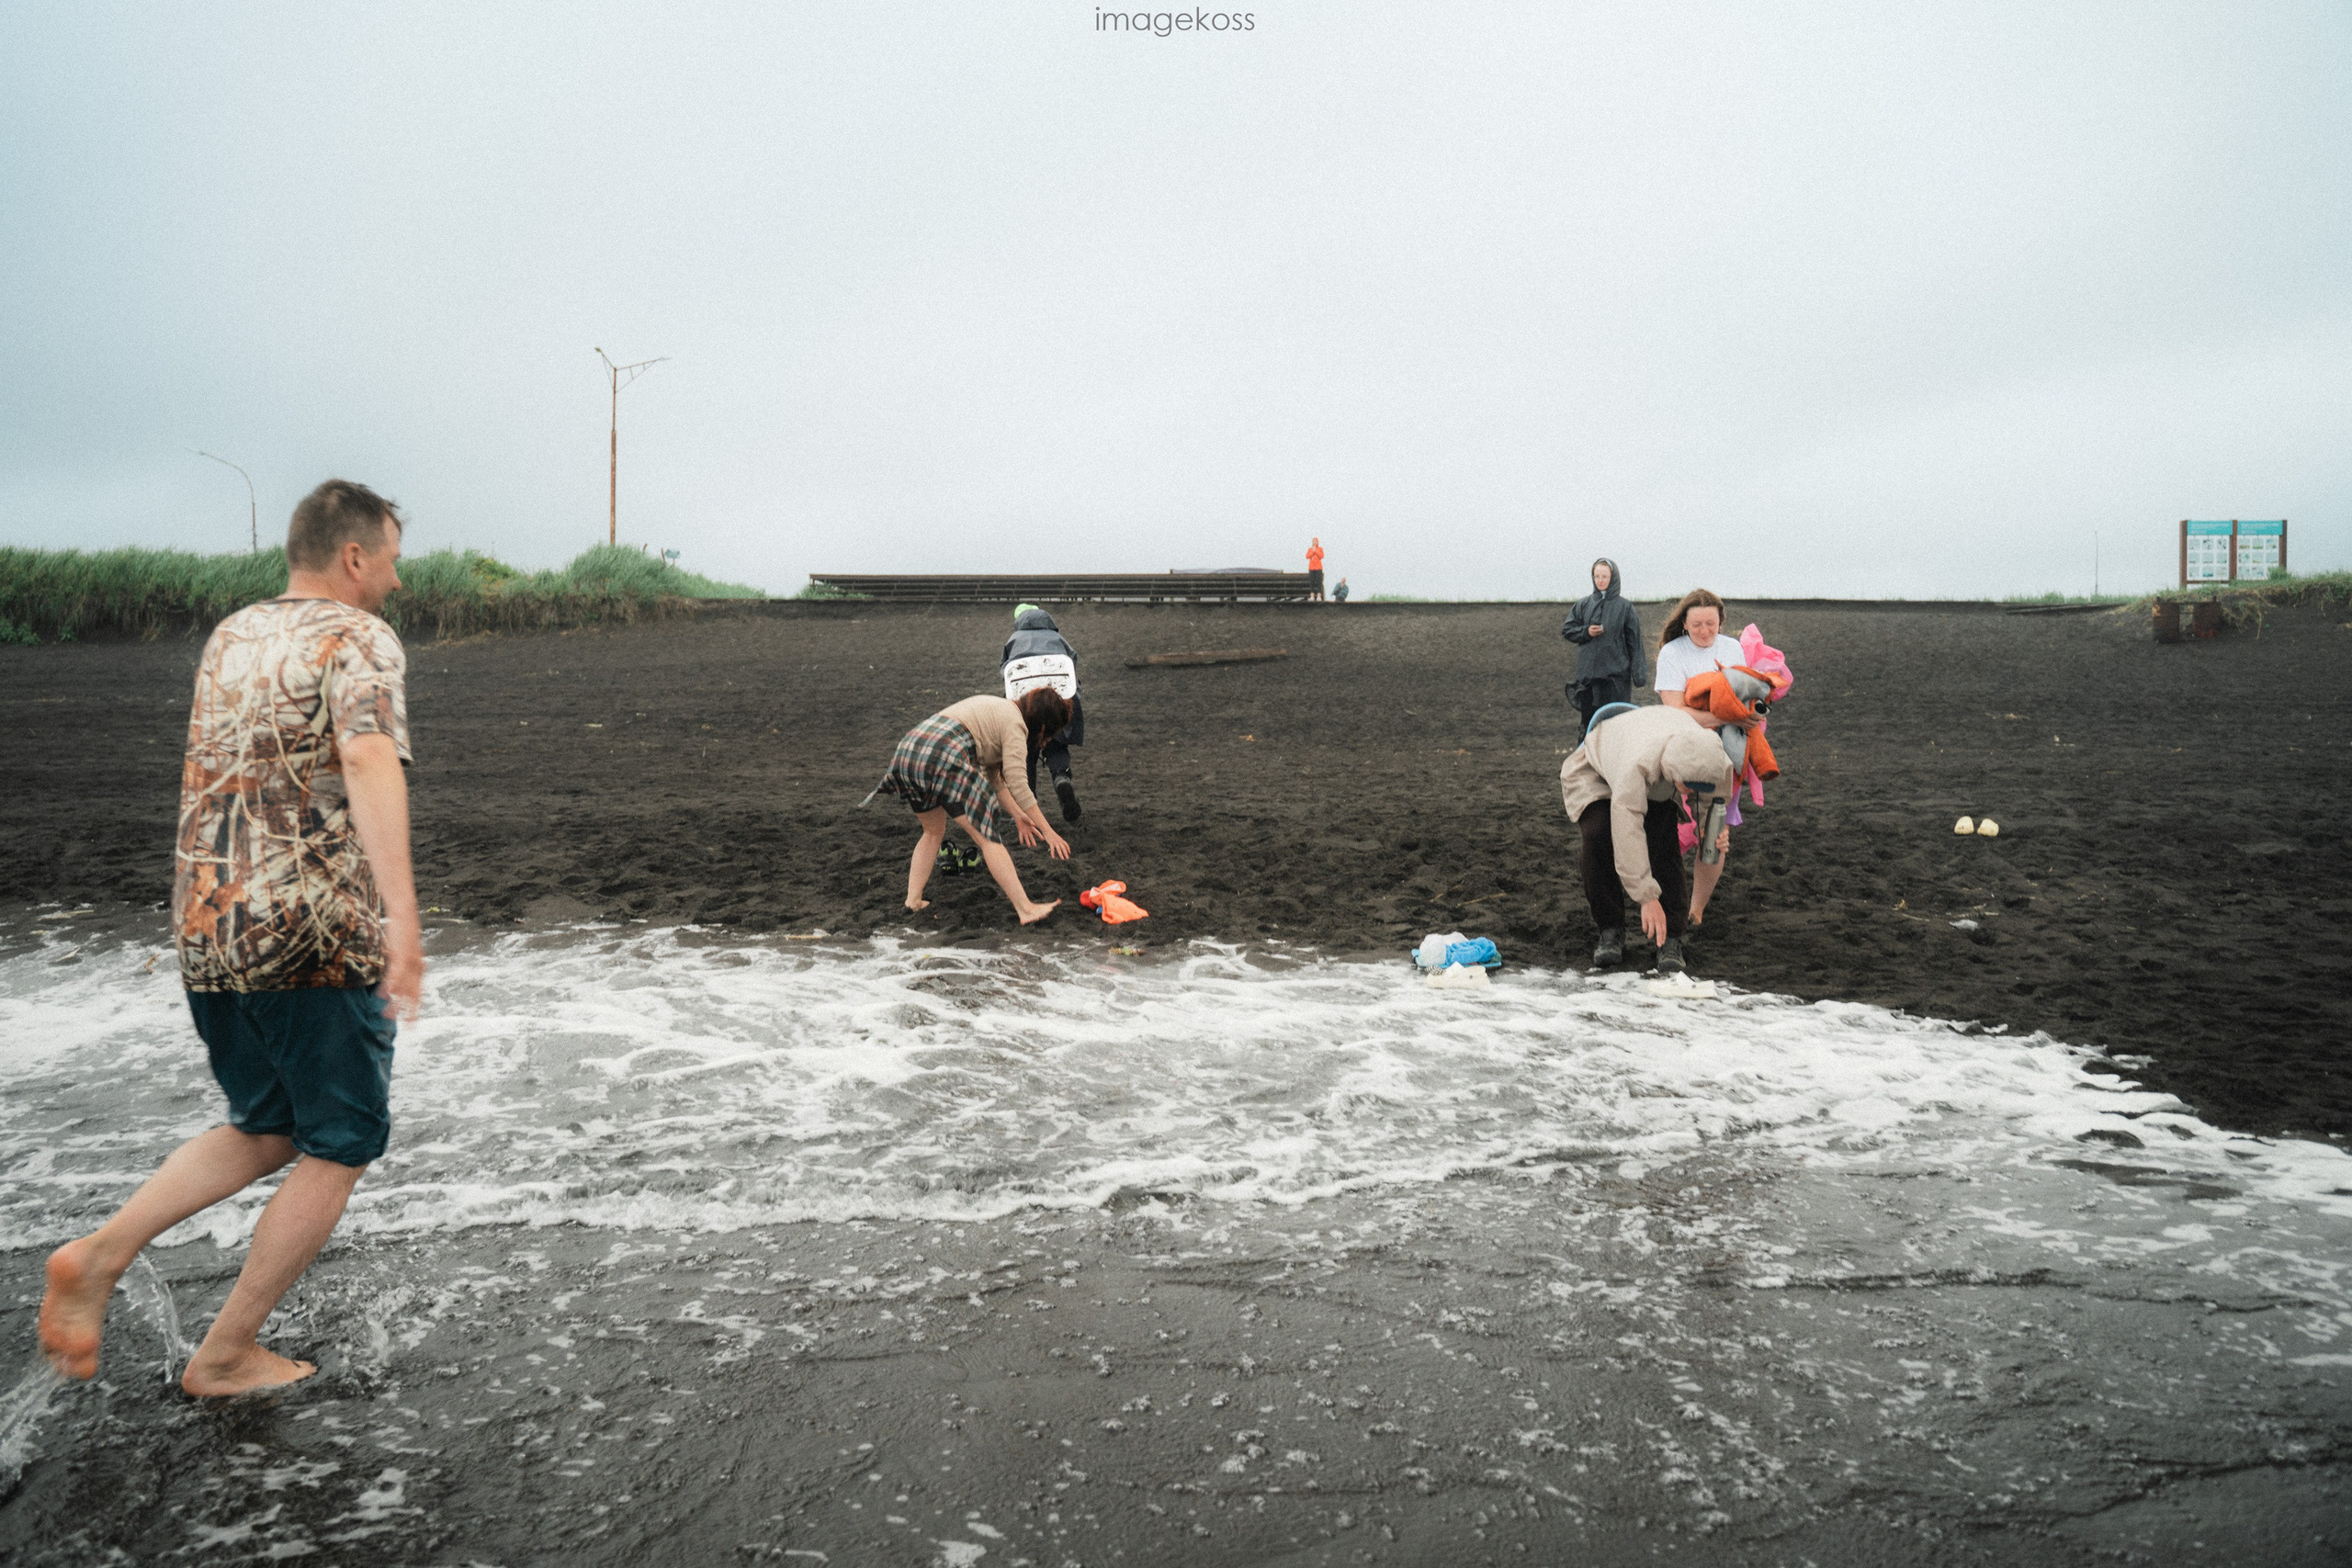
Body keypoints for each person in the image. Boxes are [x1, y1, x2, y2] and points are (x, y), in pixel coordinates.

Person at [39, 479, 424, 1397]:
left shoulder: (234, 634)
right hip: (312, 932)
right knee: (341, 1141)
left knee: (269, 1124)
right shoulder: (358, 635)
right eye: (394, 563)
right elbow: (368, 754)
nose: (398, 585)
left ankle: (97, 1258)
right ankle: (223, 1355)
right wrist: (404, 917)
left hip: (208, 926)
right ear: (356, 556)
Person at [871, 688, 1074, 924]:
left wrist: (1018, 816)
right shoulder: (1015, 723)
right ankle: (1026, 910)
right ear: (1041, 727)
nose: (1046, 741)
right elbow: (1018, 783)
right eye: (1048, 736)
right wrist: (1048, 832)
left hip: (910, 751)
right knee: (987, 837)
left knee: (933, 831)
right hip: (941, 753)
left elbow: (995, 780)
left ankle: (913, 900)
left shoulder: (998, 709)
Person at [1559, 703, 1733, 973]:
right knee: (1599, 834)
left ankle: (1672, 938)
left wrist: (1711, 828)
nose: (1691, 791)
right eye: (1688, 785)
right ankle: (1610, 929)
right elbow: (1627, 826)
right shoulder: (1637, 765)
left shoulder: (1714, 760)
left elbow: (1715, 800)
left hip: (1658, 776)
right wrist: (1646, 898)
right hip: (1598, 768)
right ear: (1676, 769)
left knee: (1664, 843)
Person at [1653, 589, 1752, 928]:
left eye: (1711, 623)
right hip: (1686, 752)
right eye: (1697, 624)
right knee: (1685, 828)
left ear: (1721, 621)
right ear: (1684, 623)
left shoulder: (1733, 649)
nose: (1705, 631)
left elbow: (1745, 699)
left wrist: (1741, 718)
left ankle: (1696, 911)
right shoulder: (1672, 653)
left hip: (1728, 755)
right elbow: (1675, 711)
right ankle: (1654, 895)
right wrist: (1727, 716)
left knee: (1716, 835)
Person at [1001, 604, 1085, 823]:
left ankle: (1027, 805)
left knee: (1027, 751)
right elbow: (1071, 667)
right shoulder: (1059, 639)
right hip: (1056, 701)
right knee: (1057, 743)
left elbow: (1006, 672)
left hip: (1028, 706)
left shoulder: (1013, 640)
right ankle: (1061, 777)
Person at [1560, 558, 1645, 734]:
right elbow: (1567, 630)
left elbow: (1634, 641)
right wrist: (1586, 632)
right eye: (1597, 576)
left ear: (1613, 578)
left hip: (1615, 679)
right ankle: (1586, 759)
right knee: (1588, 725)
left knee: (1615, 726)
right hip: (1588, 678)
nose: (1600, 580)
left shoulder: (1625, 607)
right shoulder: (1583, 604)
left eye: (1604, 576)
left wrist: (1639, 675)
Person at [1306, 536, 1326, 601]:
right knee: (1312, 582)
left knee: (1319, 581)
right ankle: (1312, 596)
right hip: (1311, 568)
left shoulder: (1320, 549)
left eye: (1316, 541)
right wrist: (1313, 551)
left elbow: (1321, 556)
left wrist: (1316, 551)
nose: (1315, 542)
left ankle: (1319, 596)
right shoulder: (1310, 549)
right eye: (1313, 541)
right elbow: (1307, 556)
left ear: (1318, 542)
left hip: (1318, 568)